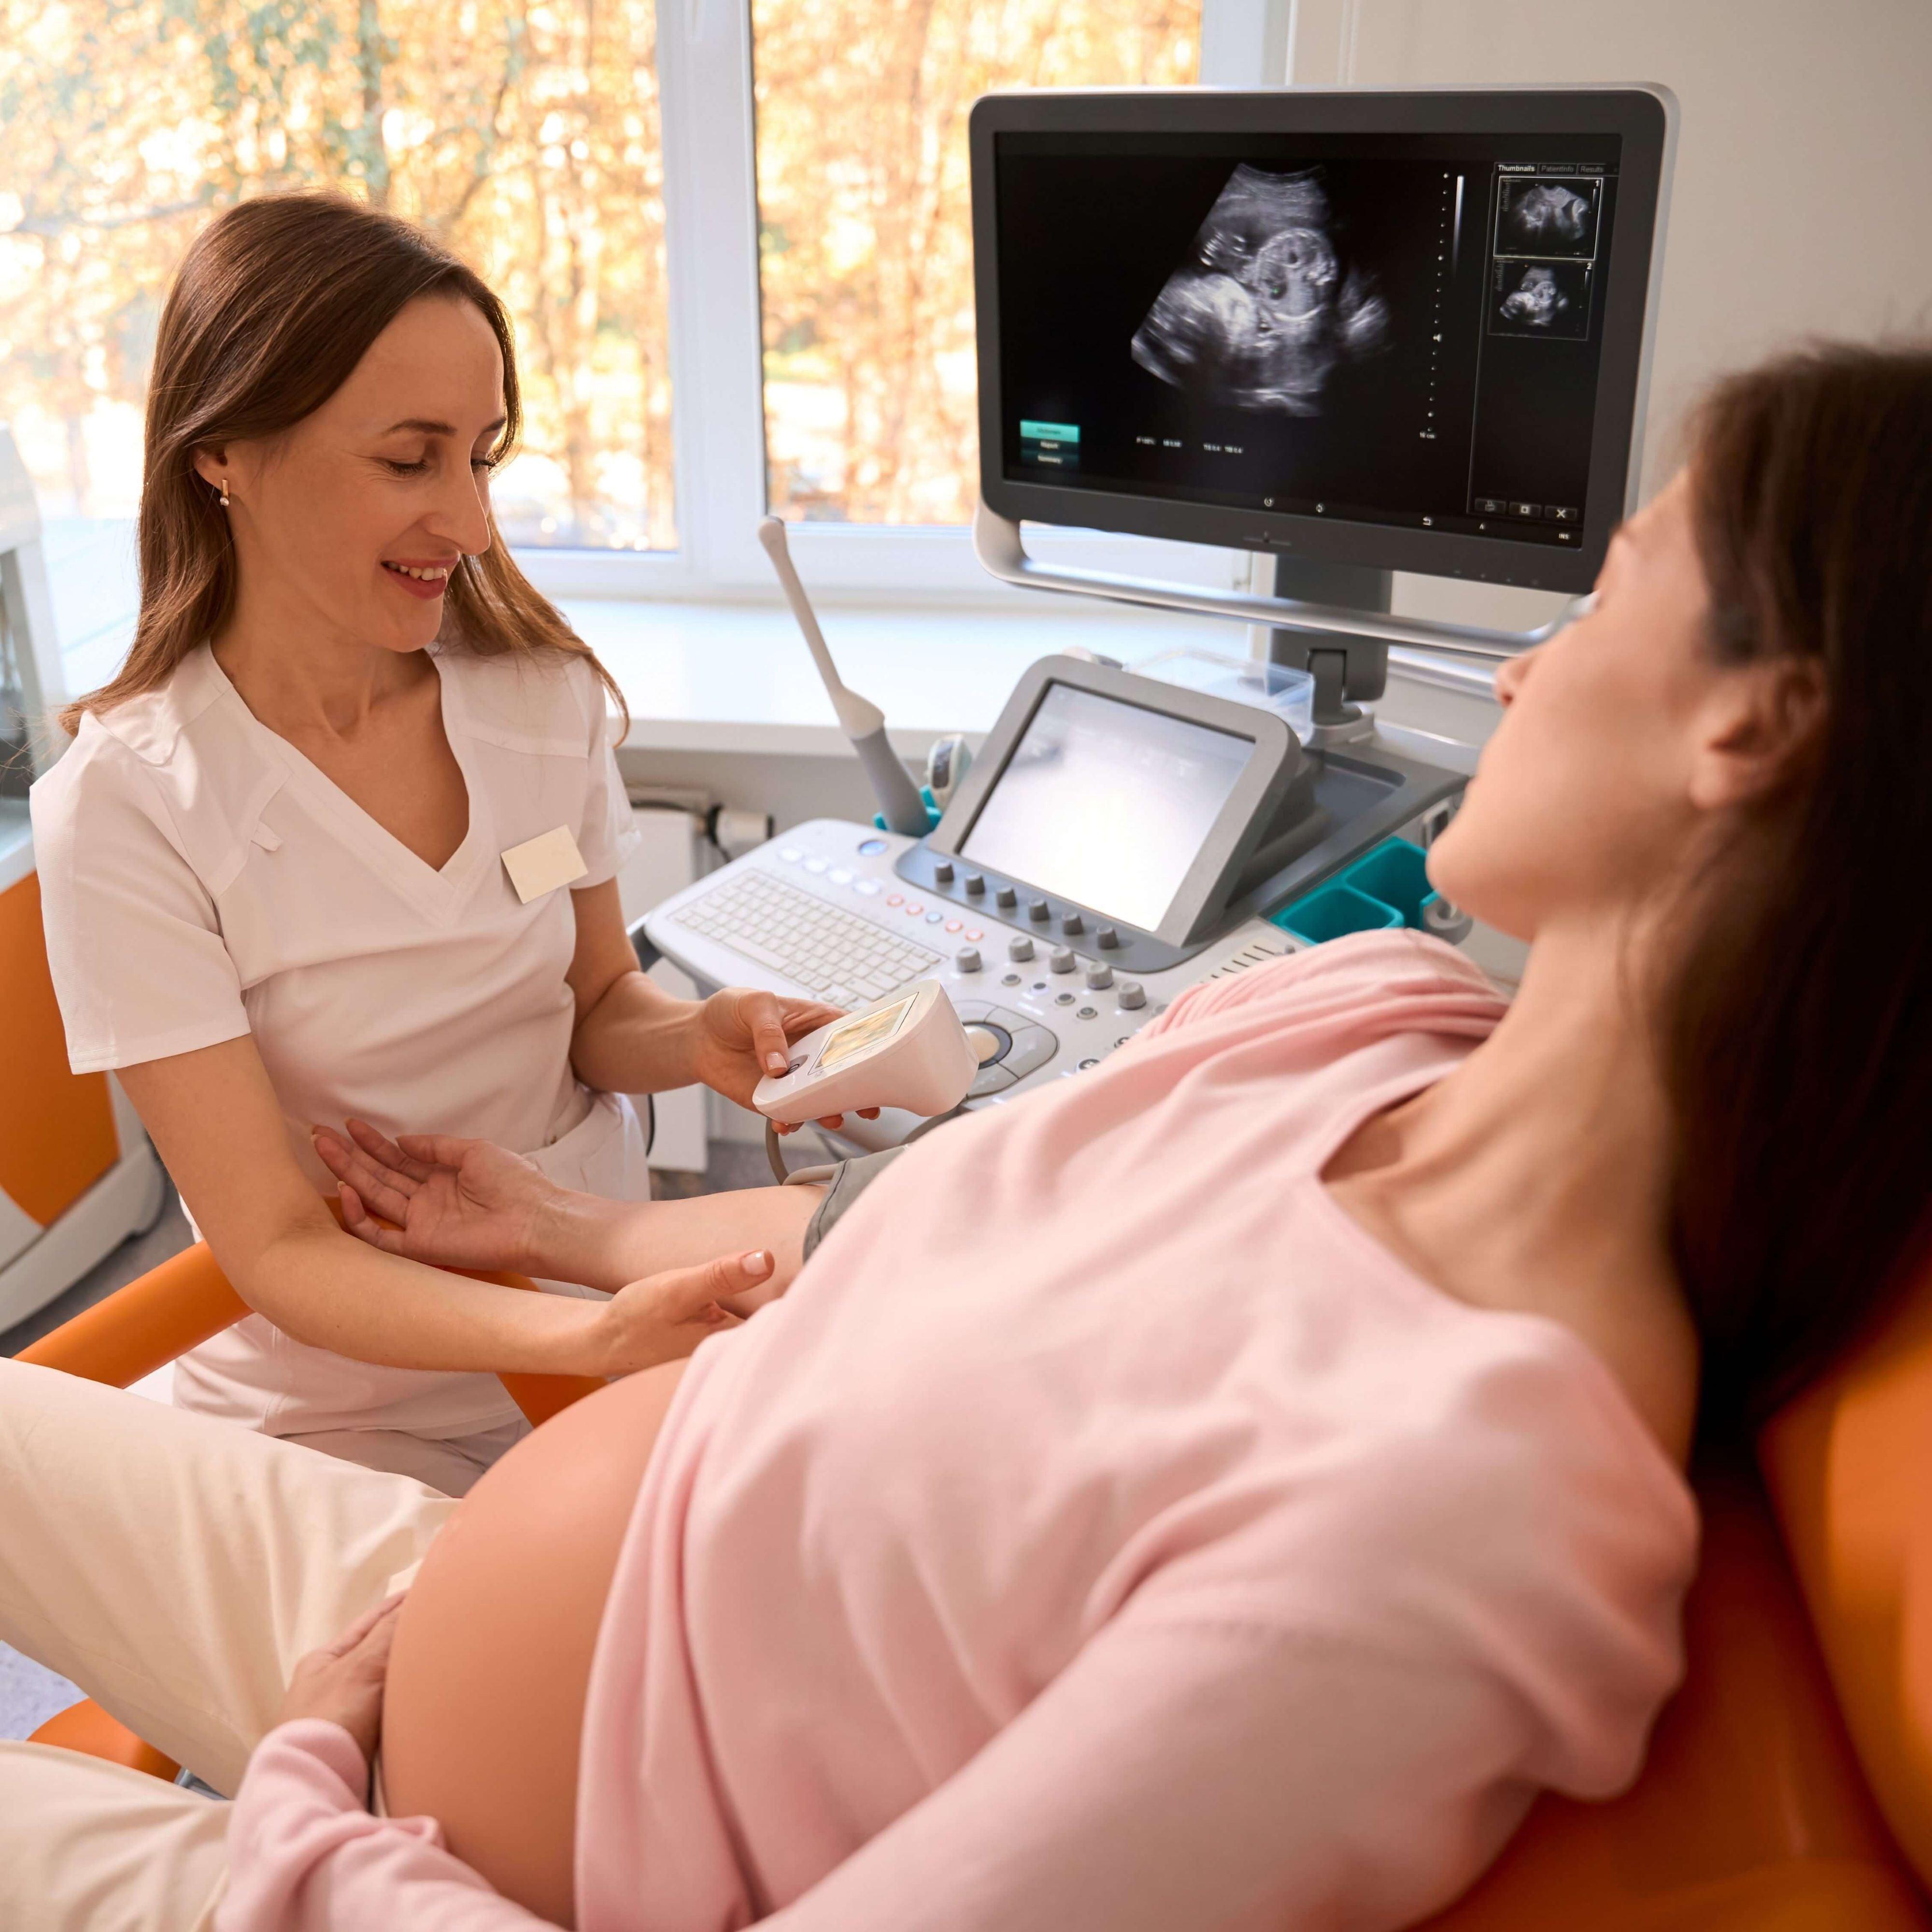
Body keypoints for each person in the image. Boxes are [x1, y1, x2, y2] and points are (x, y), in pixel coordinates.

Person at [4, 340, 1930, 1932]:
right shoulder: (1359, 1013)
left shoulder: (1467, 1506)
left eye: (1610, 592)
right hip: (422, 1601)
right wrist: (563, 1232)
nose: (1516, 668)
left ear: (1752, 727)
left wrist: (312, 1802)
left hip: (411, 1859)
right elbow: (881, 1243)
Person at [28, 193, 850, 1495]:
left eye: (482, 458)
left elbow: (595, 1006)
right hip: (351, 1417)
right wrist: (577, 1338)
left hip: (622, 1325)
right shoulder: (130, 808)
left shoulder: (537, 696)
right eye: (410, 462)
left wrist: (693, 1038)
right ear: (223, 450)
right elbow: (279, 1246)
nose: (470, 525)